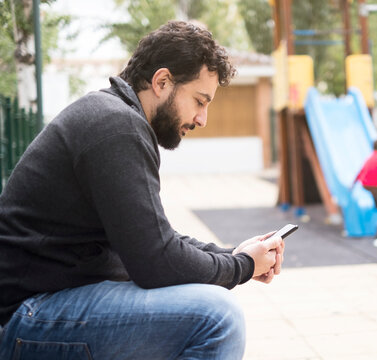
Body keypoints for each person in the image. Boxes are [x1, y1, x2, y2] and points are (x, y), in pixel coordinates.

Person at [0, 21, 284, 360]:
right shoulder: (116, 127)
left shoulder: (115, 118)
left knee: (201, 304)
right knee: (216, 316)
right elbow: (156, 261)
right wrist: (241, 267)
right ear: (162, 82)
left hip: (46, 302)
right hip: (27, 315)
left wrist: (229, 254)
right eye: (199, 100)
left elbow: (152, 237)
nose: (202, 118)